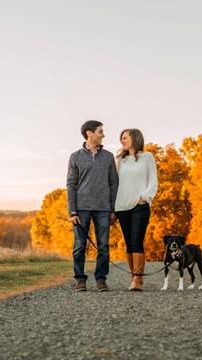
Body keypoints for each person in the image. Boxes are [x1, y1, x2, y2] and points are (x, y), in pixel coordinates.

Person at [66, 120, 118, 292]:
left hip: (103, 209)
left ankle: (101, 279)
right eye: (100, 131)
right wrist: (72, 211)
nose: (103, 135)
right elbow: (71, 185)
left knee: (103, 246)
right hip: (81, 209)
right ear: (89, 133)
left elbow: (114, 184)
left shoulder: (108, 157)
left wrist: (113, 209)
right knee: (79, 246)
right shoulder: (75, 157)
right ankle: (80, 279)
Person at [114, 128, 158, 292]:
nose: (122, 141)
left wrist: (144, 197)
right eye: (121, 138)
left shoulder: (147, 157)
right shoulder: (122, 160)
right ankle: (133, 278)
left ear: (135, 138)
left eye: (125, 138)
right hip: (122, 207)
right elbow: (118, 184)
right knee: (128, 243)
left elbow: (153, 180)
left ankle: (138, 280)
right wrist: (114, 208)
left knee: (136, 241)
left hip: (140, 206)